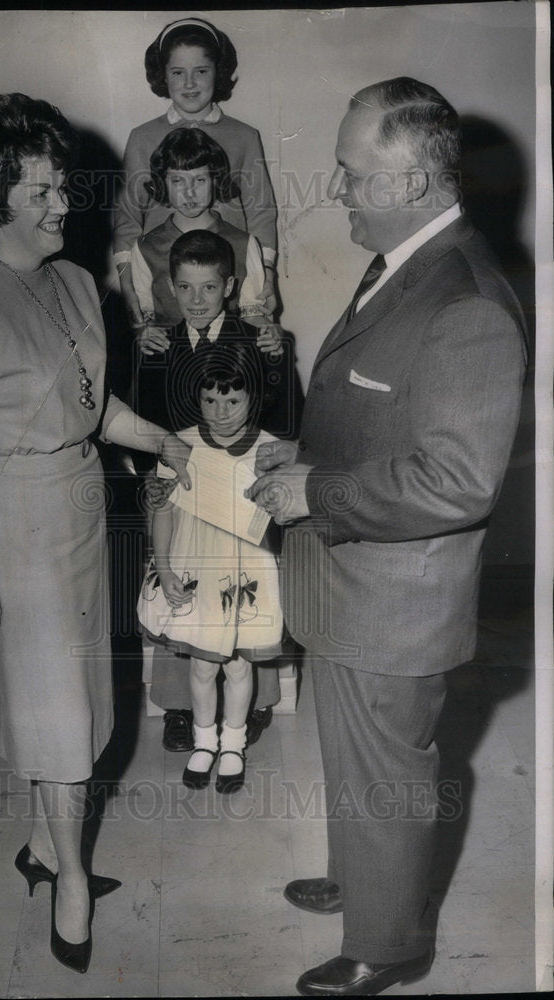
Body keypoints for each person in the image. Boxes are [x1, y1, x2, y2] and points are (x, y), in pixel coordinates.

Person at [248, 77, 526, 996]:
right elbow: (383, 410)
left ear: (408, 185)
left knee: (389, 771)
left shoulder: (468, 301)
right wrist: (306, 452)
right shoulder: (404, 266)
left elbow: (456, 478)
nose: (336, 188)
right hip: (353, 573)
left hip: (396, 596)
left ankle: (391, 942)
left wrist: (314, 489)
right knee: (354, 760)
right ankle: (369, 882)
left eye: (350, 172)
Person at [0, 92, 192, 976]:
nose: (61, 205)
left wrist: (161, 441)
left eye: (60, 186)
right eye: (37, 193)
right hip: (15, 530)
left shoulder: (75, 281)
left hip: (80, 505)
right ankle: (70, 880)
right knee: (59, 720)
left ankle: (44, 847)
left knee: (80, 708)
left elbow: (90, 404)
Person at [133, 229, 302, 752]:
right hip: (184, 487)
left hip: (239, 485)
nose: (198, 301)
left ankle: (255, 703)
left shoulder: (257, 339)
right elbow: (143, 421)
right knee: (181, 585)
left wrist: (277, 356)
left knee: (247, 586)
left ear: (229, 286)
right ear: (171, 288)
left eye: (209, 289)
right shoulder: (158, 344)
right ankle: (182, 707)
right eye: (185, 289)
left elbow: (286, 415)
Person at [138, 342, 284, 792]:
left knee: (239, 666)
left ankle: (233, 743)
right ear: (196, 398)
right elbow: (162, 511)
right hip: (195, 567)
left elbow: (281, 519)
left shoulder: (269, 449)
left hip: (246, 575)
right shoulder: (180, 446)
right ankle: (204, 741)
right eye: (210, 400)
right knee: (201, 667)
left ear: (252, 398)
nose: (221, 412)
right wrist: (163, 570)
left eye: (233, 400)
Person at [113, 16, 278, 334]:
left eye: (201, 71)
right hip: (164, 273)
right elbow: (127, 215)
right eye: (178, 73)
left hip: (230, 272)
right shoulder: (142, 137)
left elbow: (261, 211)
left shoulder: (244, 136)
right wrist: (128, 280)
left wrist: (266, 273)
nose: (189, 84)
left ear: (218, 72)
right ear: (163, 75)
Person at [131, 126, 274, 346]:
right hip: (171, 366)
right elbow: (145, 319)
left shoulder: (243, 243)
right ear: (163, 184)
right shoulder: (146, 248)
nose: (189, 192)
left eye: (199, 180)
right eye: (178, 181)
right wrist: (143, 333)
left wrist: (269, 335)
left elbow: (253, 317)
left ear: (215, 181)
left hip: (228, 364)